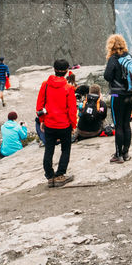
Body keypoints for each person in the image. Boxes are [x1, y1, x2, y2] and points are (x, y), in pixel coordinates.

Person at [36, 59, 77, 187]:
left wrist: (42, 121)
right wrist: (73, 125)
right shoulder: (69, 88)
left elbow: (39, 106)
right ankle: (60, 175)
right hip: (64, 125)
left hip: (49, 124)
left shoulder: (45, 85)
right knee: (66, 149)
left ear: (54, 69)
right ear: (66, 72)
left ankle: (50, 176)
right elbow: (72, 109)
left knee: (49, 150)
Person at [103, 34, 132, 163]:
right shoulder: (130, 57)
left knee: (118, 125)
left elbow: (107, 76)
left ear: (111, 46)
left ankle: (118, 155)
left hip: (118, 95)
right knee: (126, 124)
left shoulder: (113, 59)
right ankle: (126, 153)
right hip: (131, 94)